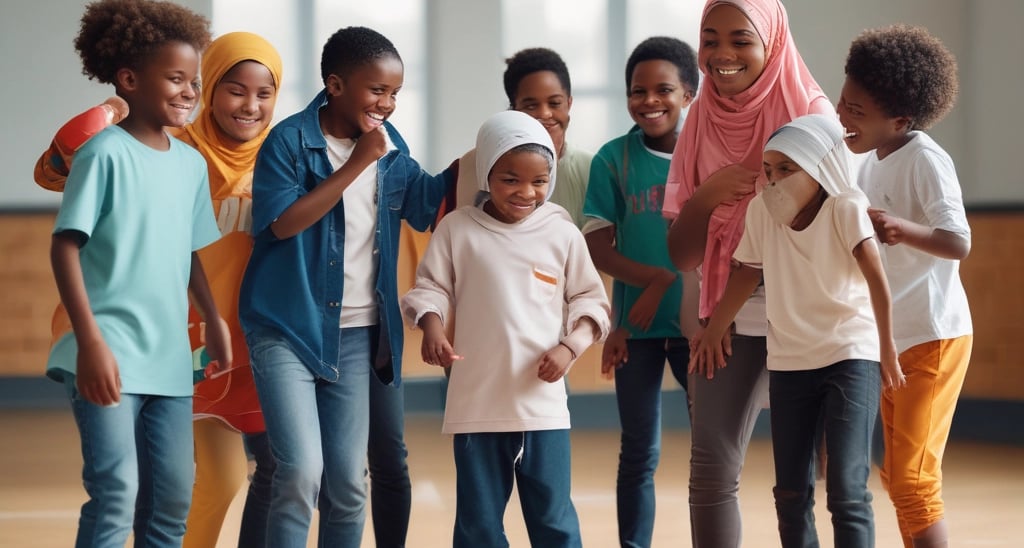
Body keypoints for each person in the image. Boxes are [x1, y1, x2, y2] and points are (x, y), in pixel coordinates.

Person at [238, 26, 453, 547]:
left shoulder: (388, 143)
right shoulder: (289, 140)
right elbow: (282, 224)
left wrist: (488, 153)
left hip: (357, 334)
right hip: (287, 328)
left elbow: (426, 205)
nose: (388, 104)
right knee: (299, 473)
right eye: (377, 90)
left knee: (349, 486)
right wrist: (358, 164)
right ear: (335, 84)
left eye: (396, 93)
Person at [45, 1, 227, 546]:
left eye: (194, 80)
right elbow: (64, 248)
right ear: (128, 79)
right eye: (176, 78)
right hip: (108, 351)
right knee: (115, 494)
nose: (190, 91)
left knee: (173, 499)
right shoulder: (101, 154)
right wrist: (91, 344)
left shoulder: (192, 165)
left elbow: (189, 250)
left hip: (170, 358)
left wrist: (213, 319)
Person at [661, 1, 832, 545]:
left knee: (803, 481)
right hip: (726, 320)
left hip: (805, 316)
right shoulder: (699, 121)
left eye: (741, 39)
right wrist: (707, 198)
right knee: (710, 472)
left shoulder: (811, 115)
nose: (722, 55)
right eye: (710, 39)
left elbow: (825, 236)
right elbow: (682, 255)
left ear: (773, 41)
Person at [691, 114, 905, 547]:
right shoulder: (762, 213)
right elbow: (747, 272)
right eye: (768, 171)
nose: (773, 181)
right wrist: (717, 326)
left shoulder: (846, 207)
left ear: (819, 167)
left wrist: (887, 349)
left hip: (849, 355)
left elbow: (877, 281)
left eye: (786, 169)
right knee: (790, 492)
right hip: (789, 362)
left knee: (846, 490)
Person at [402, 109, 610, 548]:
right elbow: (431, 289)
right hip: (476, 404)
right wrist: (433, 327)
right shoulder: (458, 229)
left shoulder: (562, 231)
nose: (525, 192)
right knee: (478, 526)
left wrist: (570, 348)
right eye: (510, 179)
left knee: (553, 519)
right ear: (486, 173)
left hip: (542, 407)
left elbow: (591, 302)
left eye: (538, 181)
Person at [837, 25, 972, 548]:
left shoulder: (926, 159)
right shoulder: (869, 158)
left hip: (934, 339)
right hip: (893, 341)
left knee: (914, 481)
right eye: (844, 102)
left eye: (857, 111)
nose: (845, 116)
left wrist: (902, 230)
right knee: (898, 476)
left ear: (899, 119)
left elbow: (958, 241)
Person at [581, 36, 698, 547]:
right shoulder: (613, 159)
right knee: (638, 453)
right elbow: (599, 250)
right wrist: (637, 299)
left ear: (689, 93)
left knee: (713, 454)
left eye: (663, 89)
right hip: (638, 331)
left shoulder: (708, 156)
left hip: (702, 330)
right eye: (637, 90)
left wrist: (719, 322)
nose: (649, 100)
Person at [455, 47, 592, 228]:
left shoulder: (592, 167)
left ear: (569, 103)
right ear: (513, 109)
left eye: (555, 103)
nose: (545, 113)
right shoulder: (475, 163)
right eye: (530, 105)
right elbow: (464, 233)